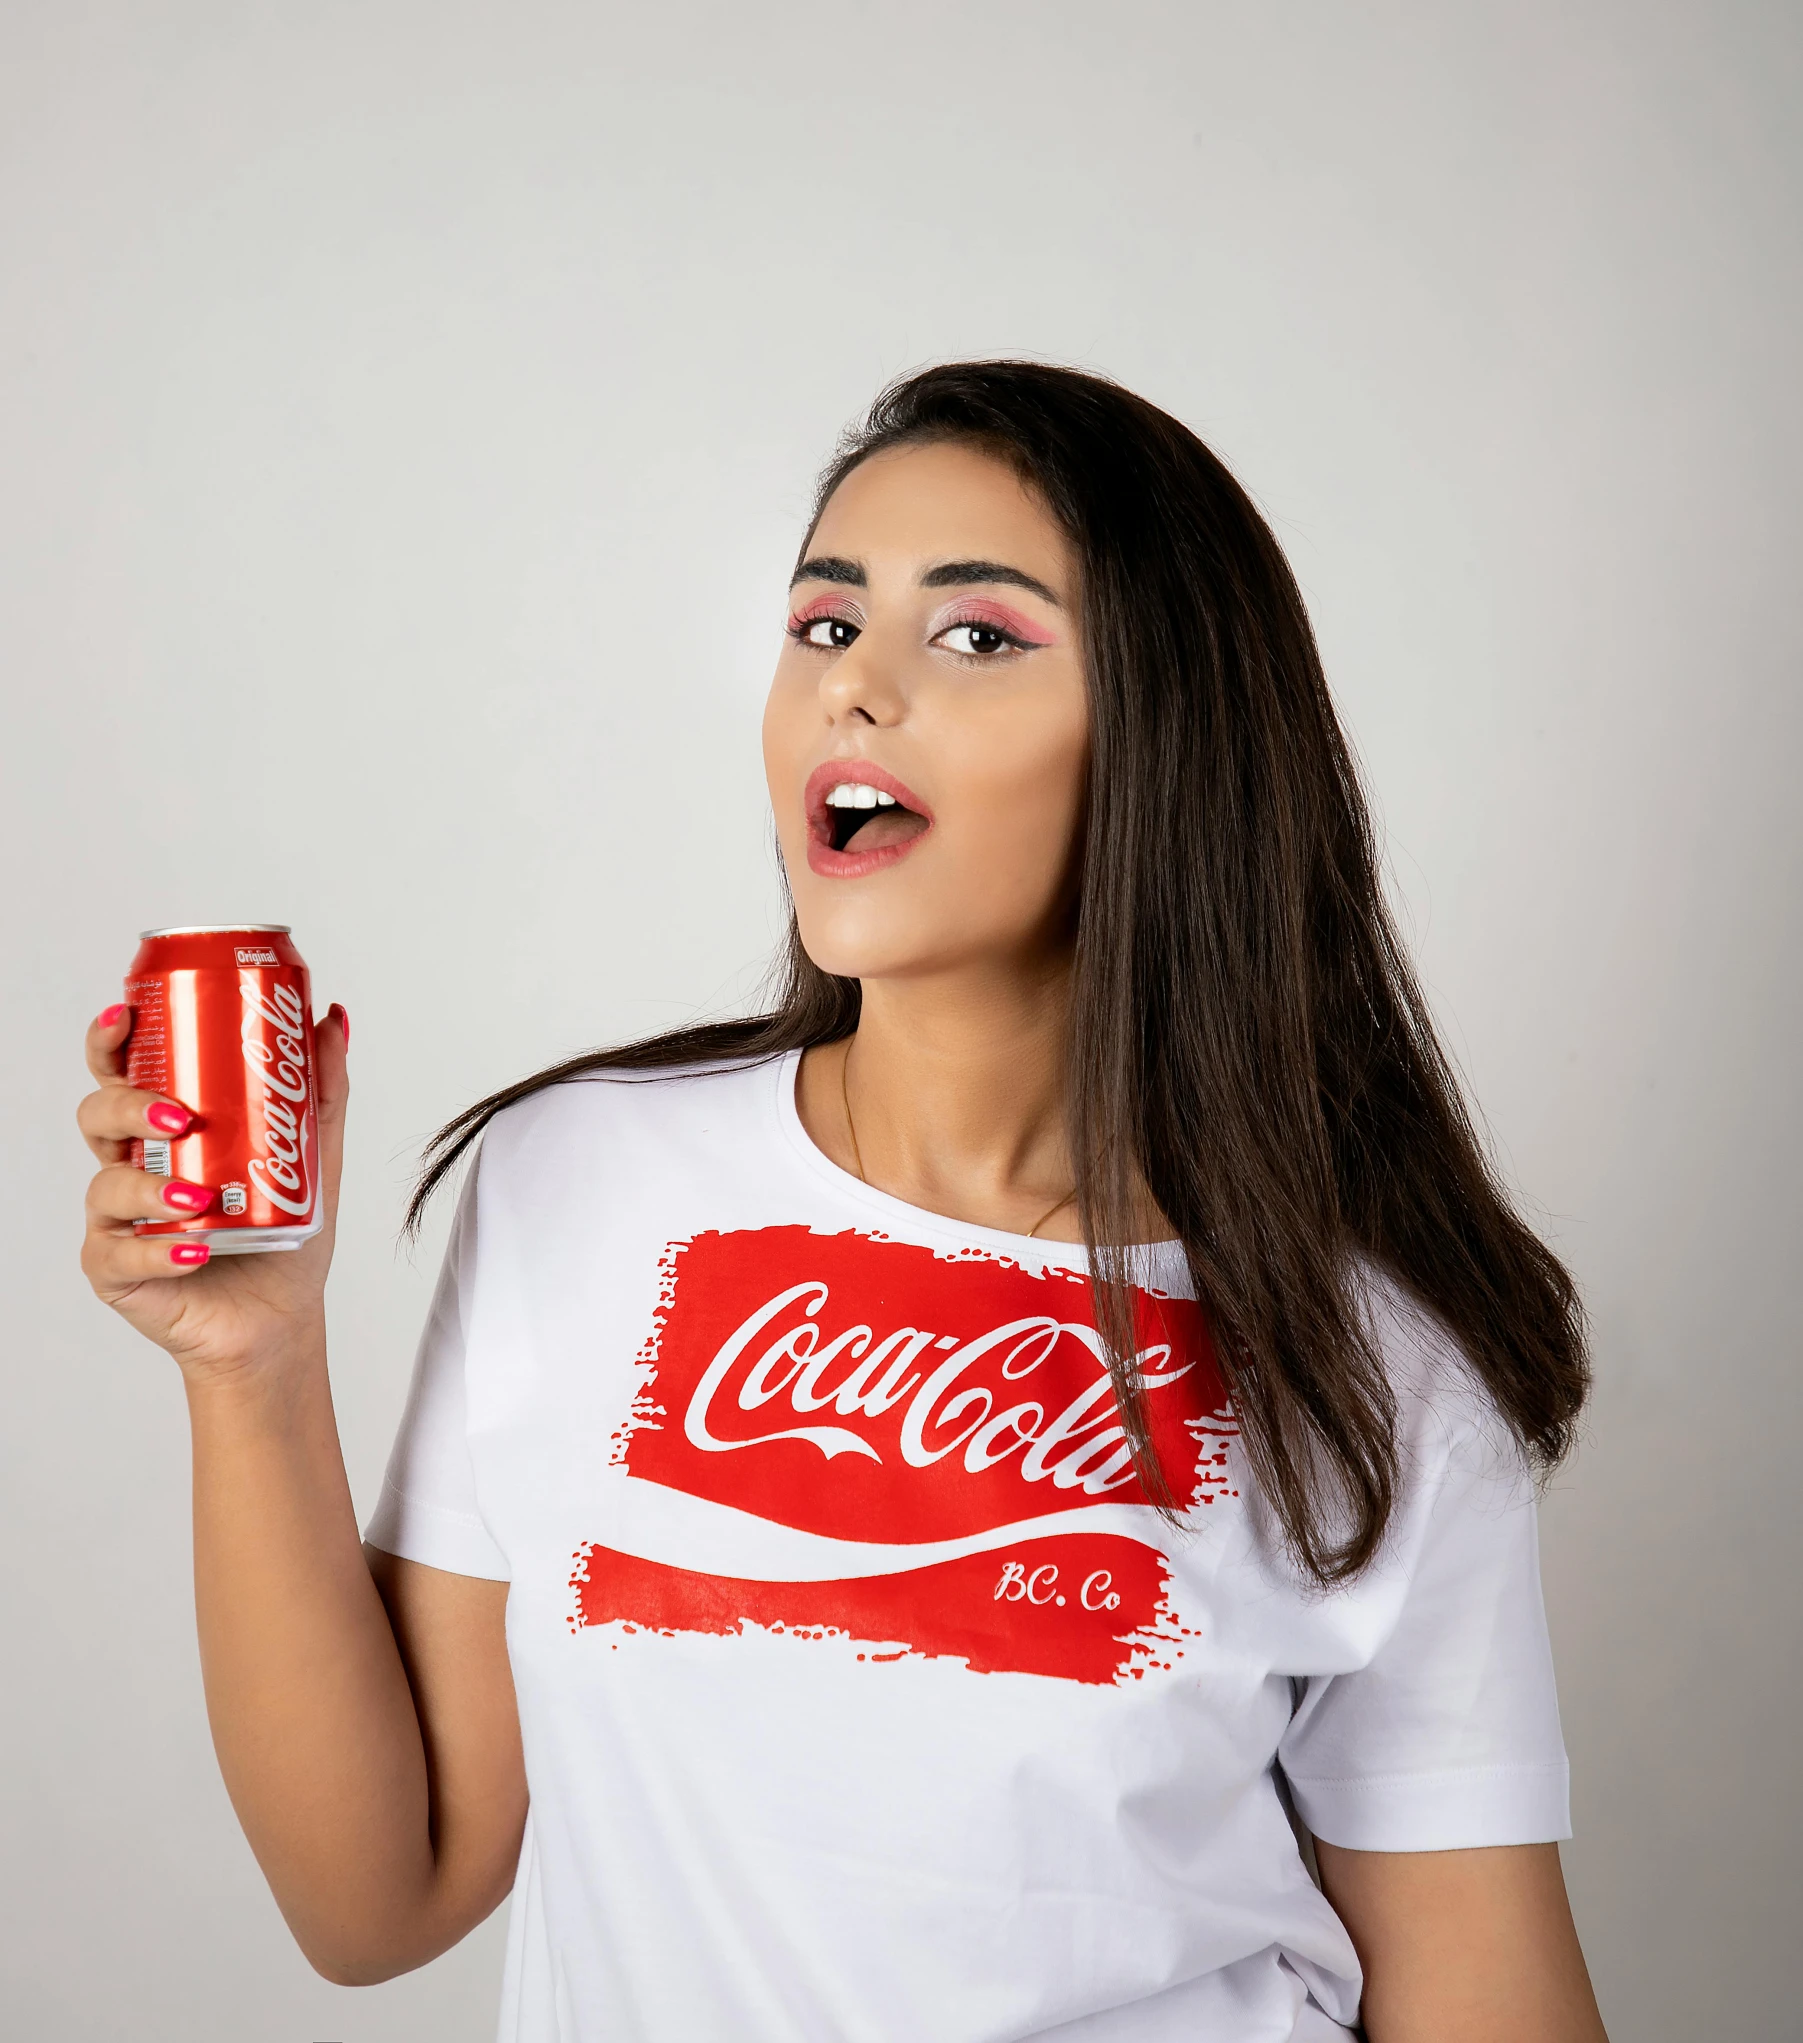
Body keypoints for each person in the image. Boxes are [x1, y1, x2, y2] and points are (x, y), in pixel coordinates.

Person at [76, 361, 1610, 2041]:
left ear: (1166, 741)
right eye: (823, 625)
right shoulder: (580, 1182)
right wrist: (252, 1368)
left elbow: (1483, 1992)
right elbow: (382, 1896)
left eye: (975, 637)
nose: (853, 691)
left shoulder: (1370, 1355)